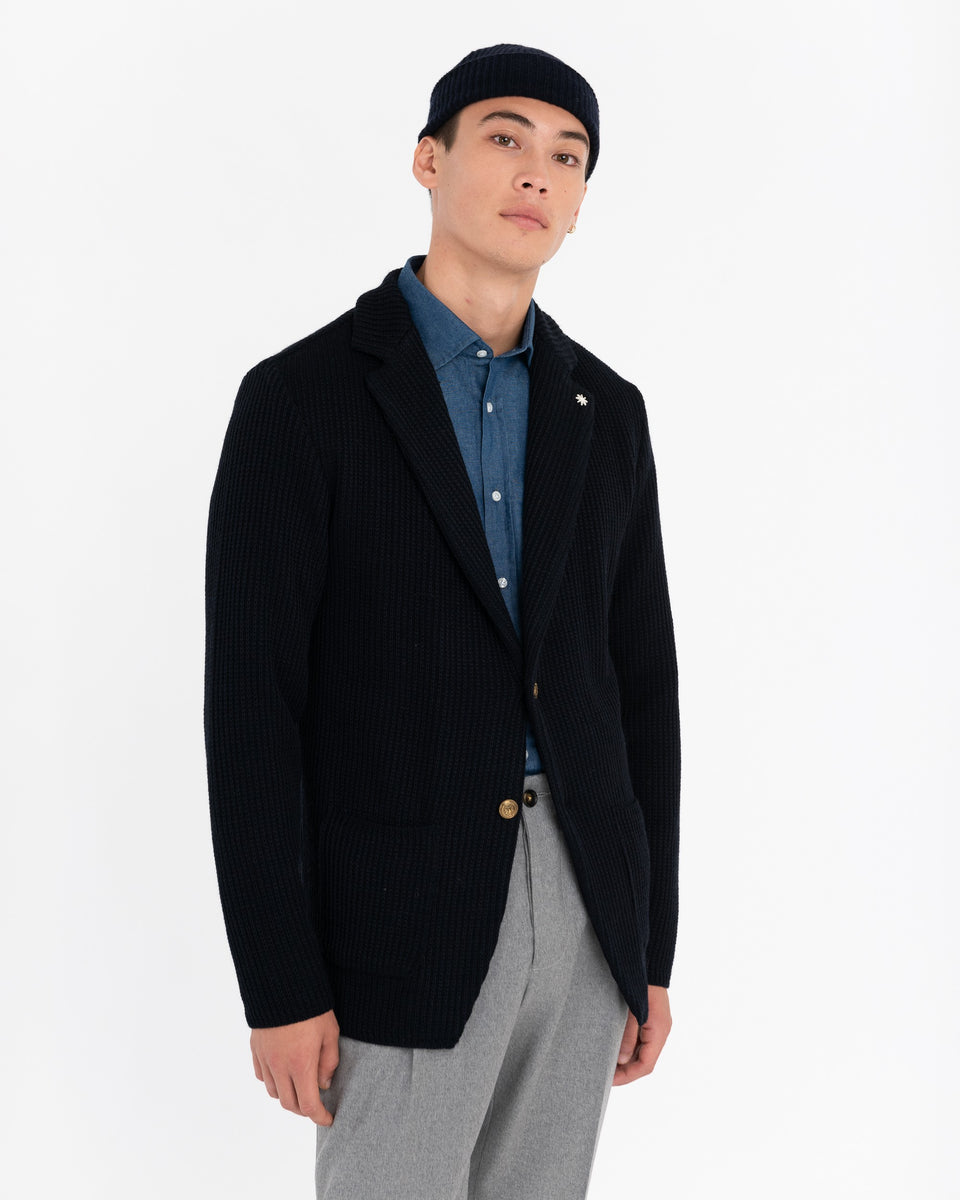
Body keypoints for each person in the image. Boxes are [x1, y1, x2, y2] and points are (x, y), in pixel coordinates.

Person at [204, 43, 681, 1200]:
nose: (537, 174)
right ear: (430, 160)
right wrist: (279, 981)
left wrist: (648, 946)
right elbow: (253, 709)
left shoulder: (607, 411)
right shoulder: (302, 399)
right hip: (395, 908)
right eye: (505, 139)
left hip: (584, 902)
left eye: (568, 157)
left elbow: (642, 689)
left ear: (580, 201)